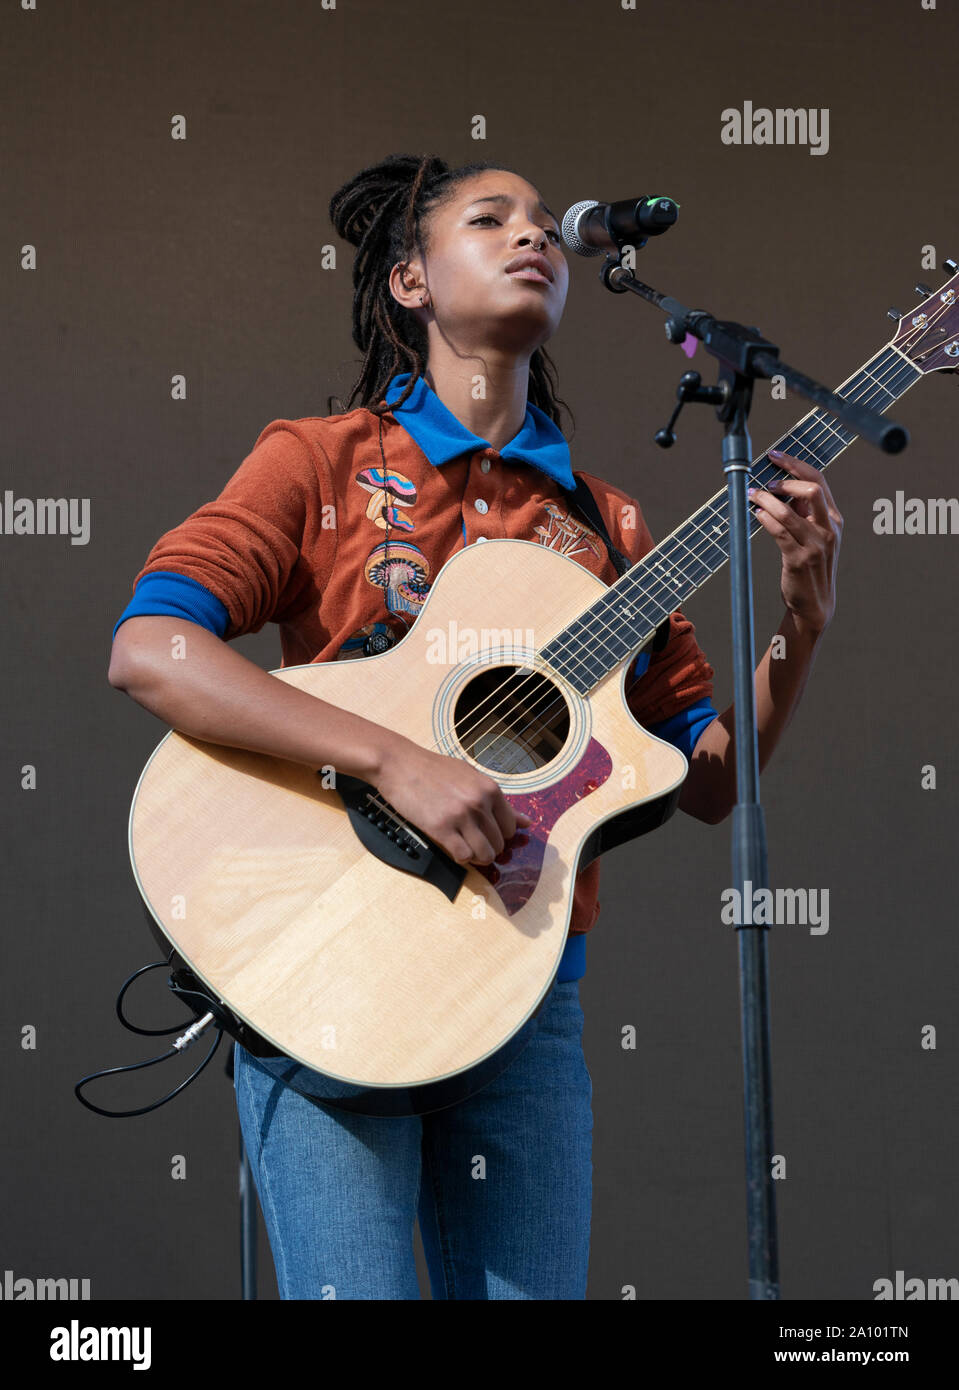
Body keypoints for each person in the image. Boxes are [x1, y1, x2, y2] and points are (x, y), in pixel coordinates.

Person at [107, 153, 842, 1299]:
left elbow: (707, 775)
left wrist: (800, 614)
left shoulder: (606, 524)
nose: (534, 236)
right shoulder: (322, 459)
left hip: (521, 992)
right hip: (328, 961)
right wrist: (397, 759)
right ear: (409, 281)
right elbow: (151, 649)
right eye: (490, 219)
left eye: (548, 225)